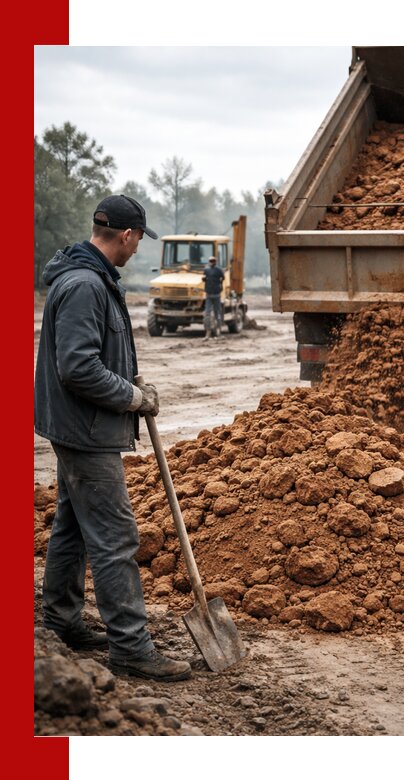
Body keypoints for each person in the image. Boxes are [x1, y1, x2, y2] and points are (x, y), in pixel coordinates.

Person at [34, 194, 191, 682]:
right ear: (126, 235)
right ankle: (131, 646)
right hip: (86, 430)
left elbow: (95, 353)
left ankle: (60, 621)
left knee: (72, 525)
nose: (139, 248)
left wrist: (132, 380)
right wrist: (131, 397)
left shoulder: (89, 277)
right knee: (116, 537)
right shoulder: (85, 285)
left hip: (77, 424)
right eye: (140, 238)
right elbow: (79, 367)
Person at [202, 255, 225, 339]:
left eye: (213, 261)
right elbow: (204, 278)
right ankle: (208, 332)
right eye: (211, 261)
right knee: (207, 314)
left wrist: (219, 286)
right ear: (209, 261)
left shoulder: (219, 270)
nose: (212, 262)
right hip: (209, 294)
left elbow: (223, 278)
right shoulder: (206, 270)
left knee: (217, 313)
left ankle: (218, 331)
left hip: (216, 294)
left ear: (215, 261)